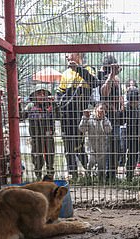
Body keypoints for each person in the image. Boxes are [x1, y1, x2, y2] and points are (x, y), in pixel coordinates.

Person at [55, 52, 100, 180]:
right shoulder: (65, 73)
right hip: (66, 115)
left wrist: (78, 69)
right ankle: (72, 173)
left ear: (77, 55)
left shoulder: (88, 69)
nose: (66, 56)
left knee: (79, 144)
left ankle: (88, 171)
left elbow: (94, 83)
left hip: (80, 114)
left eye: (69, 54)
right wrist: (60, 102)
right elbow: (59, 92)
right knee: (68, 145)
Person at [97, 54, 124, 180]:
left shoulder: (117, 80)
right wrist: (111, 76)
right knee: (108, 145)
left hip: (116, 117)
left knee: (116, 145)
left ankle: (112, 173)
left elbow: (118, 97)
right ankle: (106, 174)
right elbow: (104, 92)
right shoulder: (104, 78)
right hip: (107, 118)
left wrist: (120, 106)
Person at [26, 88, 56, 180]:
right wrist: (18, 104)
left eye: (44, 94)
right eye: (39, 93)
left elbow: (59, 116)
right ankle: (38, 177)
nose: (42, 96)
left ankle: (50, 176)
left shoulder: (50, 105)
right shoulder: (30, 106)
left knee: (50, 157)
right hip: (35, 137)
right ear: (34, 95)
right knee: (37, 157)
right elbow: (21, 116)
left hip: (48, 136)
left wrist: (54, 104)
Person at [121, 88, 140, 180]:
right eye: (131, 102)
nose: (133, 104)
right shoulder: (126, 108)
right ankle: (129, 177)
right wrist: (122, 111)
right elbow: (122, 122)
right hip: (131, 136)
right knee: (131, 156)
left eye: (135, 101)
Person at [78, 103, 112, 180]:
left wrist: (103, 121)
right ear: (96, 109)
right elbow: (82, 129)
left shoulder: (105, 119)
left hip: (102, 146)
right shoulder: (89, 118)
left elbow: (109, 130)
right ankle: (87, 176)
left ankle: (100, 179)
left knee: (101, 166)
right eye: (101, 108)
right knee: (91, 161)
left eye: (104, 110)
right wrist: (84, 118)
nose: (102, 111)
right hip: (91, 146)